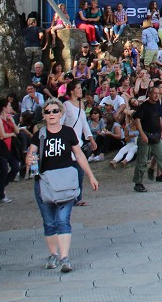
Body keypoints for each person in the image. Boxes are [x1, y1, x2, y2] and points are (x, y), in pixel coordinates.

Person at [26, 98, 98, 274]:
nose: (52, 114)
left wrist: (90, 175)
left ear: (61, 113)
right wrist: (28, 161)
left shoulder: (68, 133)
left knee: (63, 220)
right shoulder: (39, 135)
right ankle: (53, 255)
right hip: (45, 183)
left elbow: (79, 155)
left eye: (55, 111)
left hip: (66, 181)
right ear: (44, 115)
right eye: (48, 111)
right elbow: (30, 155)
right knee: (49, 222)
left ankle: (65, 257)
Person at [131, 86, 162, 192]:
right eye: (154, 93)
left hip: (156, 135)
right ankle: (138, 183)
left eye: (158, 93)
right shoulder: (144, 106)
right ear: (149, 94)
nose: (156, 95)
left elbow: (159, 118)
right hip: (146, 135)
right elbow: (137, 120)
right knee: (142, 160)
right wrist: (142, 134)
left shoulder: (157, 105)